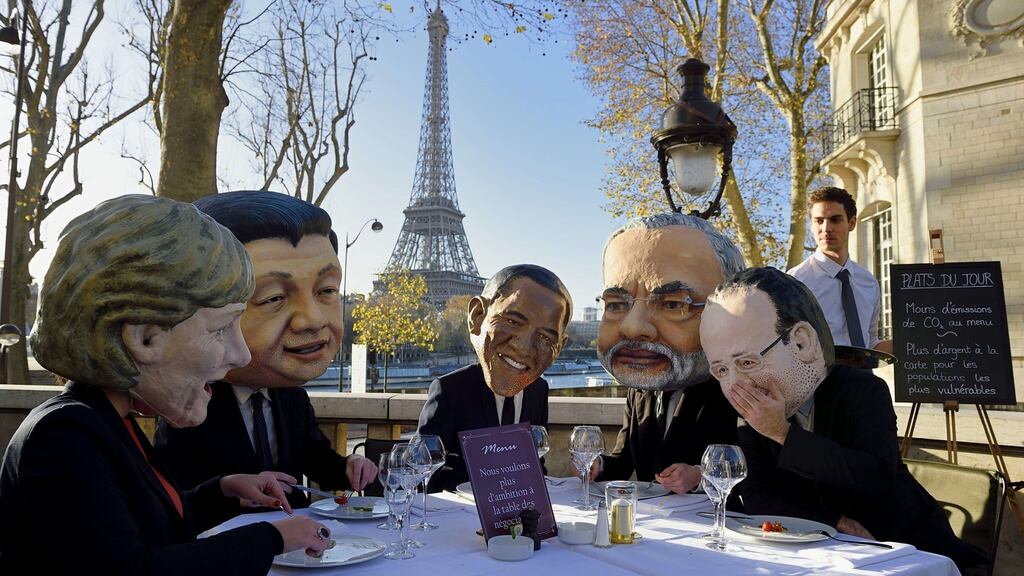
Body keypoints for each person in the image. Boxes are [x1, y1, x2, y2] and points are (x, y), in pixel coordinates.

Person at [0, 195, 331, 575]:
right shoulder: (63, 435)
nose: (241, 355)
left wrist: (224, 489)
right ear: (142, 338)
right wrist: (272, 538)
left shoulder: (106, 419)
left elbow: (145, 525)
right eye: (220, 329)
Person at [699, 266, 984, 569]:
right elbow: (758, 496)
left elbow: (873, 478)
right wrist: (832, 522)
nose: (735, 385)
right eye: (722, 371)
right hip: (819, 551)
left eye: (747, 362)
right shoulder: (752, 406)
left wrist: (782, 433)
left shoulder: (863, 390)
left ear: (801, 342)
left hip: (905, 547)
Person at [154, 191, 375, 511]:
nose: (312, 320)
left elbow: (315, 460)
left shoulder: (291, 395)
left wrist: (349, 466)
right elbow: (174, 495)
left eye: (326, 291)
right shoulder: (190, 402)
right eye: (272, 297)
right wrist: (230, 493)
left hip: (294, 534)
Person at [590, 213, 741, 493]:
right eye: (616, 304)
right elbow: (622, 462)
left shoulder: (737, 391)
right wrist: (598, 466)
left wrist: (699, 477)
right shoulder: (640, 389)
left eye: (672, 305)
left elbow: (759, 475)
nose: (632, 327)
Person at [417, 264, 572, 492]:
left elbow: (536, 464)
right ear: (477, 315)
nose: (523, 347)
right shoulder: (450, 390)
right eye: (513, 322)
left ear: (560, 346)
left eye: (546, 338)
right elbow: (422, 470)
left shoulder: (538, 390)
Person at [788, 186, 889, 352]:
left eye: (835, 220)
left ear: (851, 223)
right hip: (817, 377)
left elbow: (870, 343)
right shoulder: (795, 282)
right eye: (819, 221)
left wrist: (911, 342)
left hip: (863, 376)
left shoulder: (869, 282)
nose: (826, 228)